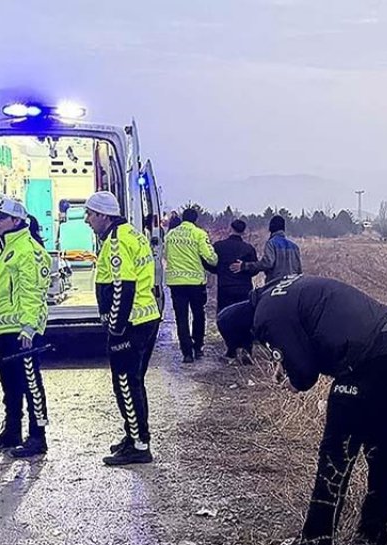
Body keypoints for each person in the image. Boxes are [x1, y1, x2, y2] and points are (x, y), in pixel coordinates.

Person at [219, 274, 387, 545]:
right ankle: (373, 538)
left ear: (248, 332)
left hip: (364, 359)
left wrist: (291, 377)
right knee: (383, 450)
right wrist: (286, 361)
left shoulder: (264, 319)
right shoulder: (275, 291)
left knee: (335, 457)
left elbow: (305, 375)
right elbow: (308, 333)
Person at [84, 191, 161, 466]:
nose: (86, 220)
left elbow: (122, 287)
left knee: (126, 384)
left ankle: (140, 445)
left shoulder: (116, 242)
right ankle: (134, 435)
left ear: (104, 216)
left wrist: (115, 327)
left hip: (130, 325)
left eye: (90, 214)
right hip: (146, 318)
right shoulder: (132, 235)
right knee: (134, 382)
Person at [0, 199, 52, 458]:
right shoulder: (6, 250)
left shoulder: (28, 250)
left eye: (1, 217)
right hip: (4, 329)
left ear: (18, 221)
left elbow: (31, 292)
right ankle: (12, 432)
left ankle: (38, 436)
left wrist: (29, 327)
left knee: (31, 384)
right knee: (9, 384)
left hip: (22, 331)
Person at [163, 207, 218, 362]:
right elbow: (210, 258)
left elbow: (165, 255)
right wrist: (216, 261)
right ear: (195, 219)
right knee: (198, 314)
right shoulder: (199, 234)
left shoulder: (170, 235)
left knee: (181, 318)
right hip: (195, 283)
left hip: (176, 283)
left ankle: (186, 353)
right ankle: (198, 346)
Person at [206, 219, 258, 360]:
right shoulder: (248, 248)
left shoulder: (219, 246)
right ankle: (247, 349)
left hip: (225, 288)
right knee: (246, 320)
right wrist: (244, 268)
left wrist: (221, 271)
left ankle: (231, 349)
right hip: (244, 289)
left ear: (231, 228)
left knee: (225, 318)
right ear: (244, 231)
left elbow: (210, 264)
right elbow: (254, 270)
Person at [230, 214, 301, 284]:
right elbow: (299, 270)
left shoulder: (271, 243)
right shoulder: (294, 247)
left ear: (271, 228)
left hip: (276, 285)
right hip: (292, 285)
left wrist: (245, 266)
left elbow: (267, 263)